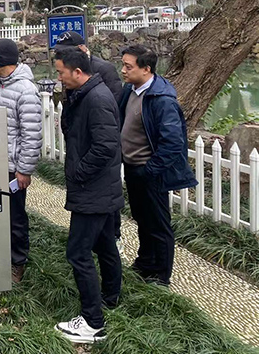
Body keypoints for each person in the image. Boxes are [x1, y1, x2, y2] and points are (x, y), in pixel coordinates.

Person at [53, 47, 123, 344]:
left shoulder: (97, 98)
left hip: (93, 190)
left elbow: (106, 146)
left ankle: (93, 323)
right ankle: (111, 296)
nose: (58, 78)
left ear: (77, 71)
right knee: (105, 244)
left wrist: (79, 174)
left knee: (78, 252)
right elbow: (72, 130)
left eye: (60, 72)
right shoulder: (83, 94)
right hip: (99, 189)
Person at [118, 44, 196, 286]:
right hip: (132, 168)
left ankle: (161, 275)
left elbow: (173, 143)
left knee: (158, 224)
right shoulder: (129, 91)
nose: (123, 70)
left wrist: (150, 171)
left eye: (128, 66)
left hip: (150, 172)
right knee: (142, 218)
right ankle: (144, 263)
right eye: (123, 65)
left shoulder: (162, 100)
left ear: (146, 69)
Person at [55, 29, 124, 252]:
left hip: (96, 162)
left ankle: (116, 236)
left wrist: (80, 171)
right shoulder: (67, 74)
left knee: (102, 221)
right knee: (102, 246)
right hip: (81, 146)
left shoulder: (103, 72)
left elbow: (110, 120)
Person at [0, 38, 41, 283]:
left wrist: (24, 170)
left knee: (15, 216)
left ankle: (18, 262)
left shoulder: (26, 90)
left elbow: (31, 133)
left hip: (12, 168)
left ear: (0, 60)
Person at [55, 30, 122, 101]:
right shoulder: (65, 69)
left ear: (82, 48)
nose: (63, 55)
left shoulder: (105, 69)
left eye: (66, 52)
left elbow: (115, 99)